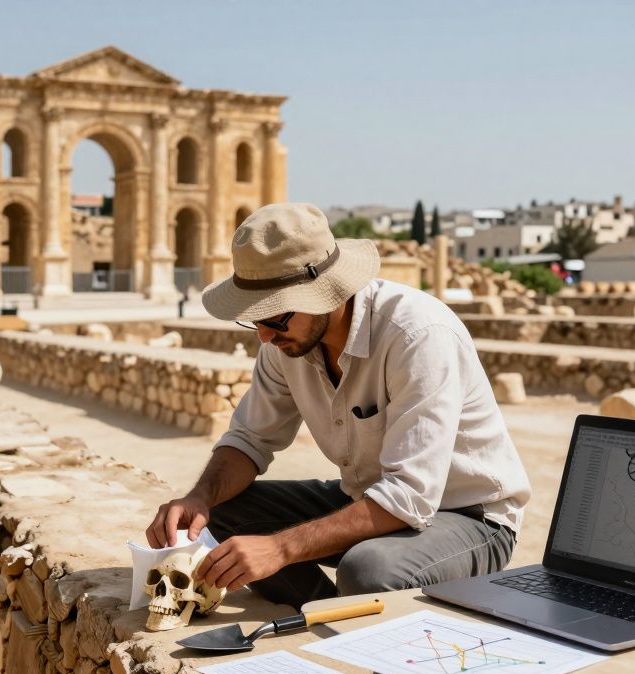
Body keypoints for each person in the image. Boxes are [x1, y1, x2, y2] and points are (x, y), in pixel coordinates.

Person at [145, 203, 530, 610]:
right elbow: (249, 439)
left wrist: (280, 548)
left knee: (368, 571)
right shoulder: (286, 339)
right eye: (252, 318)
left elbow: (410, 496)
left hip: (467, 517)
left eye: (273, 317)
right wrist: (199, 498)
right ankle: (325, 616)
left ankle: (347, 620)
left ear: (325, 295)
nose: (263, 336)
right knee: (223, 512)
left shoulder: (417, 334)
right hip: (369, 497)